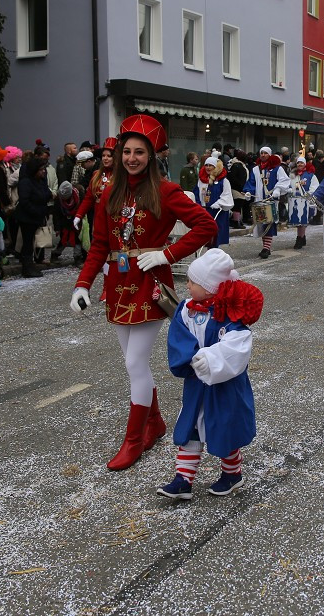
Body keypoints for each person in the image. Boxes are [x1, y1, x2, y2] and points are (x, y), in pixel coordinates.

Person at [69, 115, 217, 472]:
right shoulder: (109, 192)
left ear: (151, 156)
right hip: (117, 285)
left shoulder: (165, 190)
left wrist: (166, 254)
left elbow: (205, 225)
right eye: (127, 151)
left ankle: (134, 440)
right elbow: (101, 244)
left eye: (140, 152)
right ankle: (154, 424)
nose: (132, 158)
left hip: (152, 286)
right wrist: (83, 283)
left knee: (136, 362)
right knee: (131, 362)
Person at [156, 248, 262, 500]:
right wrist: (191, 359)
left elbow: (237, 347)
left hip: (224, 387)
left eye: (193, 282)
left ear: (210, 287)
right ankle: (183, 479)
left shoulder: (230, 317)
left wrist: (211, 361)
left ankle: (232, 474)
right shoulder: (186, 310)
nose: (188, 285)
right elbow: (179, 335)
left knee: (225, 428)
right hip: (196, 384)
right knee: (190, 427)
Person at [243, 147, 290, 258]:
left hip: (271, 200)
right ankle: (266, 247)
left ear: (270, 155)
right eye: (261, 153)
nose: (263, 155)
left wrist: (278, 189)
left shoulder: (277, 169)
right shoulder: (255, 169)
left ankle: (266, 248)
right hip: (259, 200)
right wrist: (248, 192)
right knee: (261, 223)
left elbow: (284, 180)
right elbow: (251, 182)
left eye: (265, 153)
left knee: (270, 223)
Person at [14, 156, 52, 278]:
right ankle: (27, 267)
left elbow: (46, 194)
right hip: (27, 218)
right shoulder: (25, 182)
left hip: (37, 216)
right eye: (41, 169)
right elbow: (25, 202)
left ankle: (31, 265)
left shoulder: (40, 181)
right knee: (28, 243)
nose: (43, 171)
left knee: (32, 243)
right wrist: (37, 211)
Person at [193, 153, 233, 248]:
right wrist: (198, 205)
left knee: (216, 236)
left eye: (210, 165)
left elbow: (227, 195)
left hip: (217, 212)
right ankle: (209, 255)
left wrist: (218, 203)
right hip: (204, 211)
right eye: (206, 165)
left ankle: (213, 255)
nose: (208, 167)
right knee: (205, 237)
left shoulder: (223, 181)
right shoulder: (201, 180)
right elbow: (196, 193)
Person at [287, 156, 318, 250]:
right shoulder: (293, 175)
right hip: (295, 200)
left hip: (305, 200)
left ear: (305, 164)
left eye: (302, 163)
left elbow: (315, 186)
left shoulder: (310, 175)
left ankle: (299, 238)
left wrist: (309, 193)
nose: (300, 164)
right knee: (297, 220)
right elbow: (288, 184)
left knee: (303, 220)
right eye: (298, 163)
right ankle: (302, 237)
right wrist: (289, 189)